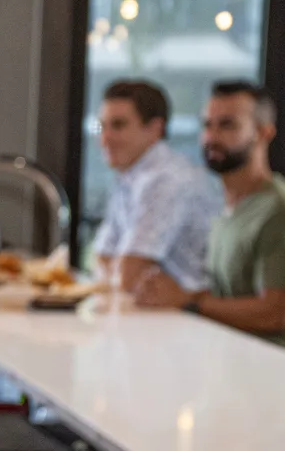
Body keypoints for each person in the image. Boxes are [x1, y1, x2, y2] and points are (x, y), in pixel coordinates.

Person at [135, 81, 285, 359]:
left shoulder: (281, 210)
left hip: (280, 371)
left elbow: (275, 313)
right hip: (230, 360)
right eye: (207, 125)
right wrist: (167, 293)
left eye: (227, 125)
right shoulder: (226, 206)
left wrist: (188, 300)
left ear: (263, 133)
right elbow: (229, 295)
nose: (212, 137)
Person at [90, 79, 221, 293]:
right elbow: (100, 259)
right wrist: (115, 272)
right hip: (156, 313)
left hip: (191, 317)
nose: (105, 138)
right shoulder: (130, 175)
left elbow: (127, 276)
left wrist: (115, 272)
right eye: (102, 126)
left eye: (118, 125)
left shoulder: (167, 179)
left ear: (155, 128)